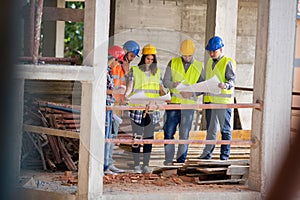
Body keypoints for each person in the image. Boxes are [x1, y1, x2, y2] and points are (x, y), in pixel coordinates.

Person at [163, 39, 205, 165]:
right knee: (168, 132)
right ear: (180, 53)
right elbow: (165, 81)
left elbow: (202, 86)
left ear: (193, 54)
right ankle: (168, 160)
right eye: (184, 55)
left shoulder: (198, 66)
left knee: (184, 134)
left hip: (189, 105)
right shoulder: (173, 62)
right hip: (174, 104)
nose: (186, 58)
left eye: (189, 56)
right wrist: (173, 84)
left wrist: (192, 93)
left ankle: (180, 162)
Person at [125, 44, 165, 173]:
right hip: (137, 108)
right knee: (136, 137)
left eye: (152, 59)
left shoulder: (157, 72)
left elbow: (161, 89)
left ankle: (145, 165)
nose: (150, 61)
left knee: (148, 137)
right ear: (143, 58)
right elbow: (130, 86)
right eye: (148, 59)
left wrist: (168, 96)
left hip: (152, 109)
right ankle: (137, 165)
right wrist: (126, 95)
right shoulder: (135, 70)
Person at [199, 36, 236, 160]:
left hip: (223, 103)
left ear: (221, 49)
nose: (211, 53)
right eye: (210, 51)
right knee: (211, 130)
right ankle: (207, 155)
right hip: (210, 101)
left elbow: (232, 81)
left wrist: (225, 85)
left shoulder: (227, 62)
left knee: (225, 130)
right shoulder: (209, 62)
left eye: (214, 51)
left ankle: (224, 157)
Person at [104, 45, 126, 174]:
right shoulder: (104, 72)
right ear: (113, 58)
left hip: (111, 105)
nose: (118, 64)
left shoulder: (109, 71)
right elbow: (101, 89)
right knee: (106, 137)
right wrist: (115, 91)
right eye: (117, 61)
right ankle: (104, 166)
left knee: (110, 136)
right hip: (105, 106)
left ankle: (107, 164)